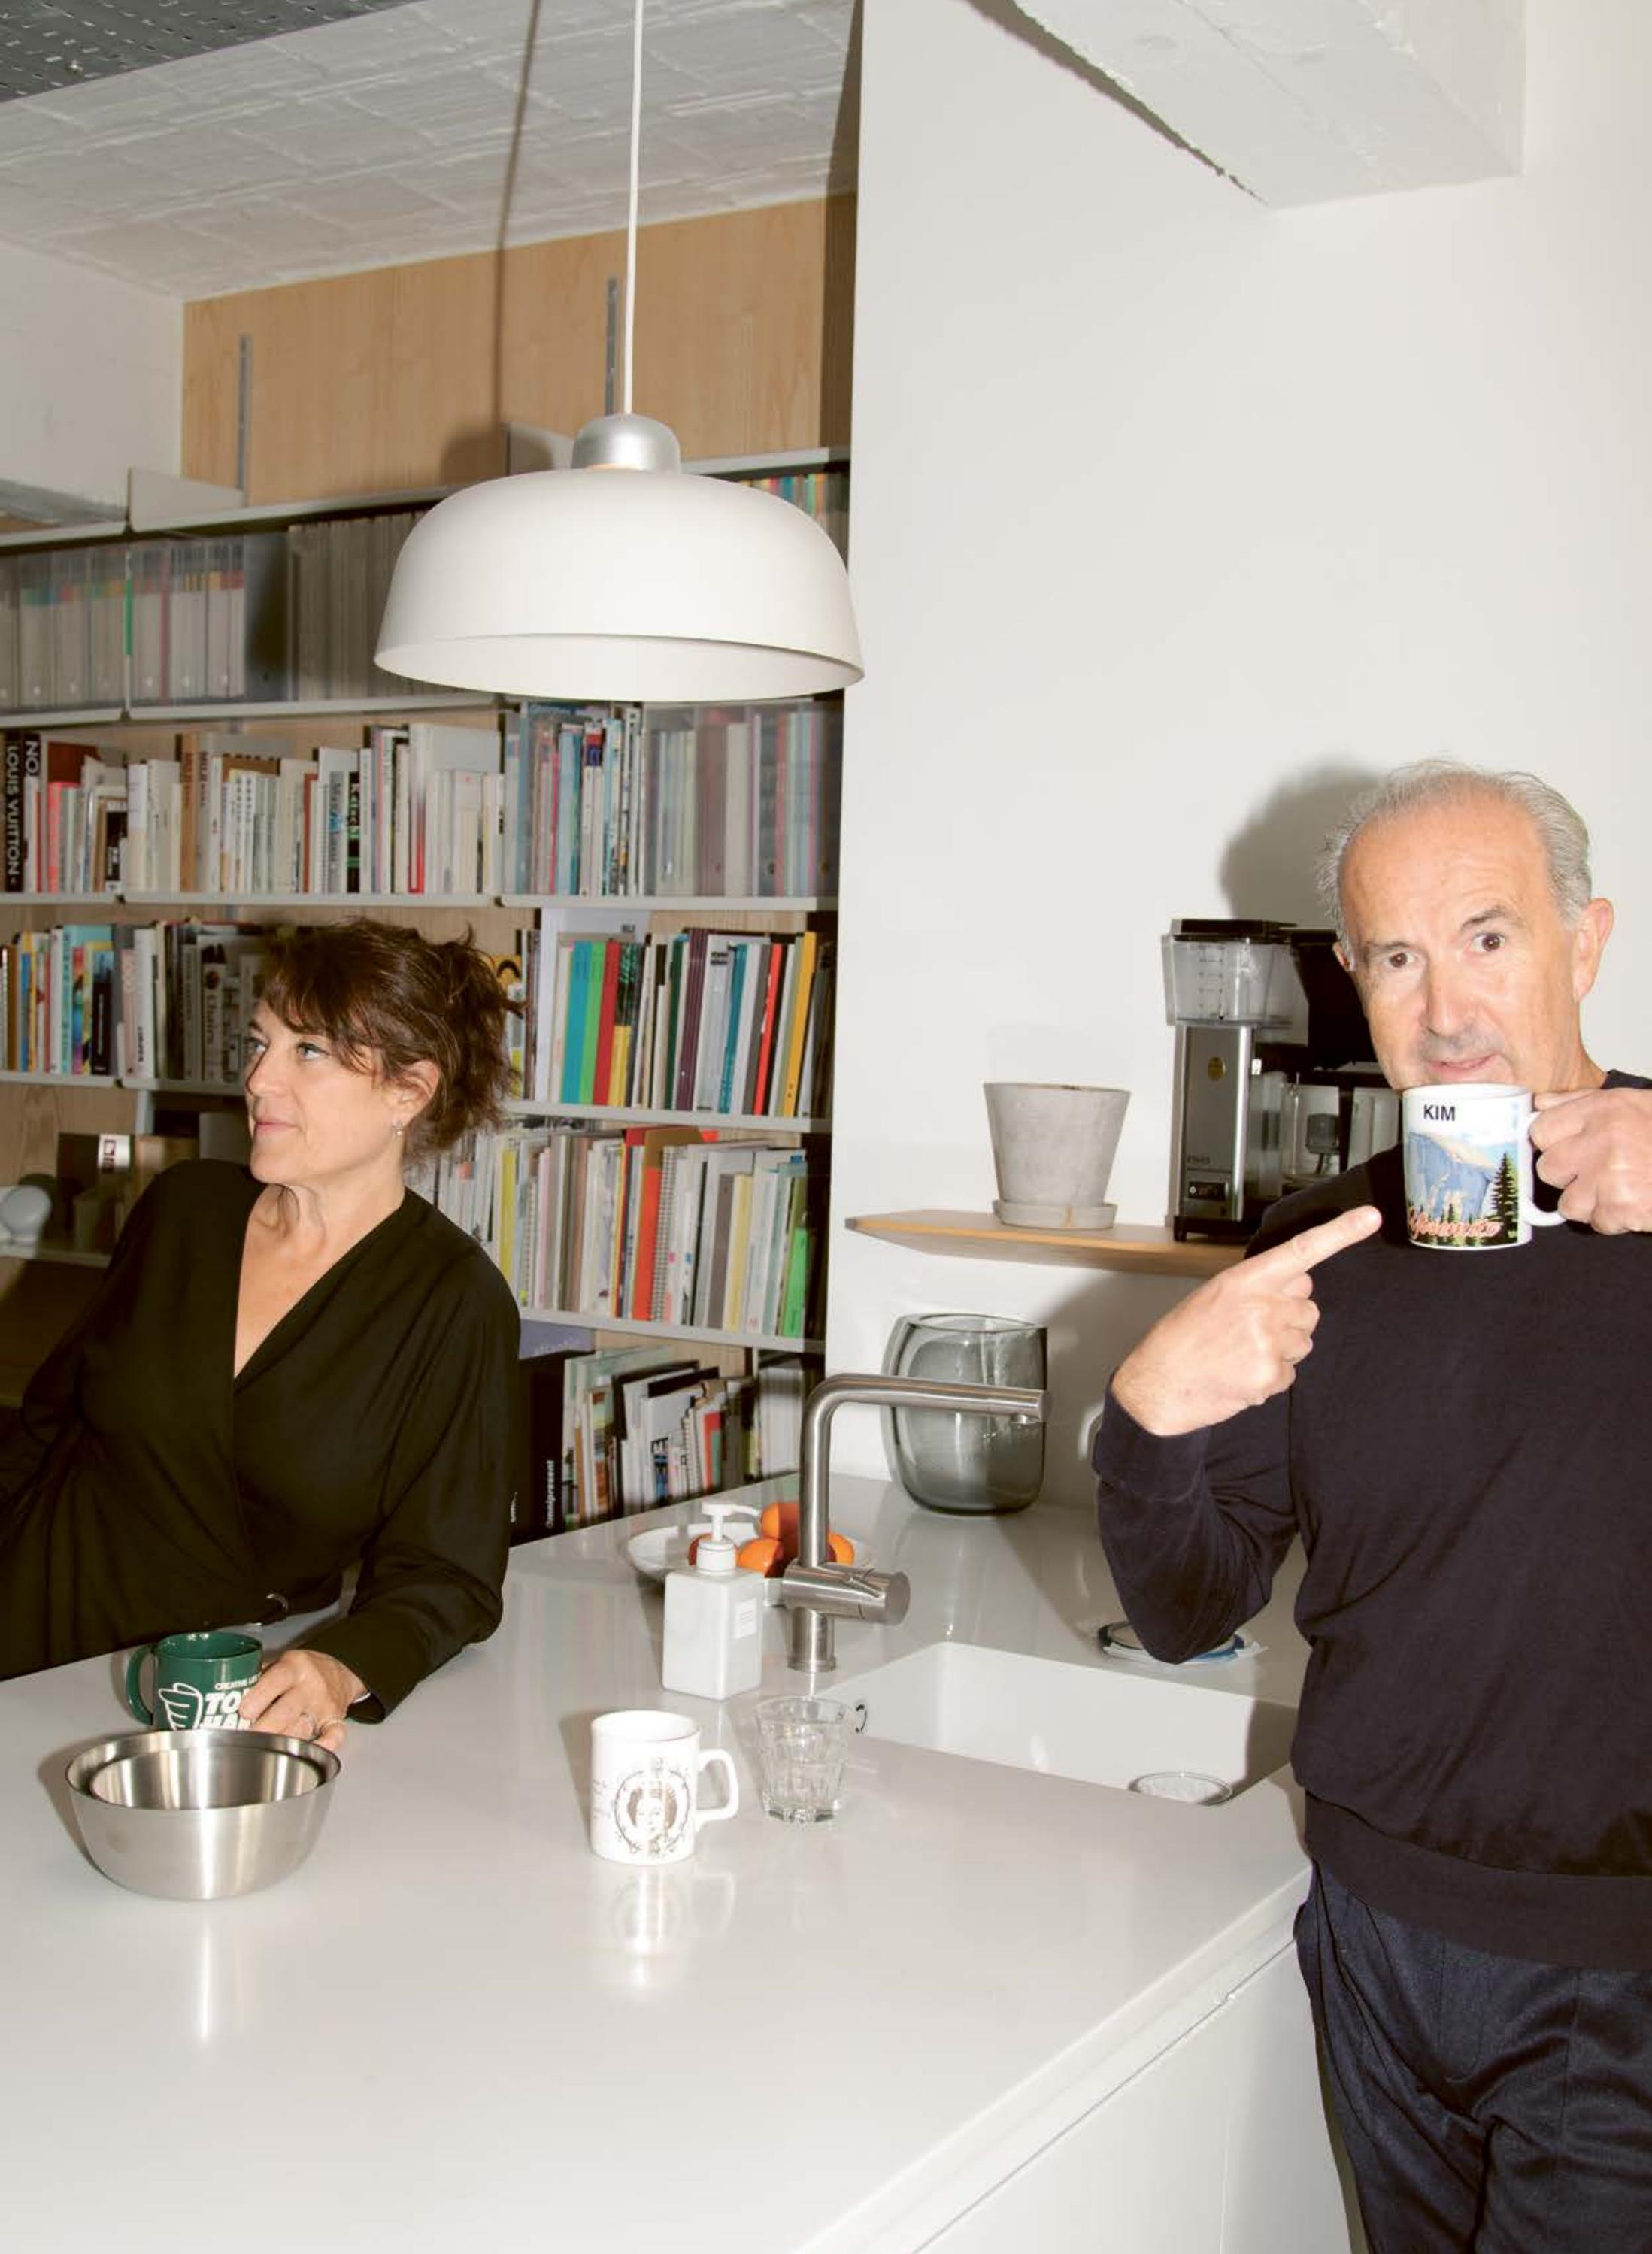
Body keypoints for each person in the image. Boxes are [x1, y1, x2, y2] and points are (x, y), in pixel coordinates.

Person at [1093, 762, 1652, 2250]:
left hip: (1622, 1968)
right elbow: (1186, 1608)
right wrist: (1146, 1416)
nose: (1444, 1006)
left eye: (1488, 937)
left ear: (1586, 940)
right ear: (1351, 977)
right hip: (1371, 1930)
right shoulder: (1319, 1242)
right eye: (1395, 956)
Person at [0, 919, 523, 1750]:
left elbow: (449, 1573)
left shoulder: (453, 1301)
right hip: (29, 1627)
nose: (258, 1079)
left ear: (409, 1091)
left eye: (307, 1051)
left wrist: (341, 1668)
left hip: (207, 1696)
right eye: (259, 1043)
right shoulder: (184, 1209)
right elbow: (48, 1421)